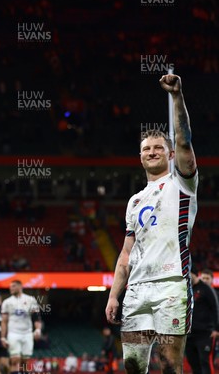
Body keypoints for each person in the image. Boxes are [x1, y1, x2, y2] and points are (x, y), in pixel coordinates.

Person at [105, 74, 198, 374]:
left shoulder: (182, 184)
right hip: (136, 290)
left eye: (158, 148)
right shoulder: (134, 201)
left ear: (171, 154)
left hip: (171, 285)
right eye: (146, 149)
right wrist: (113, 295)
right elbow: (125, 254)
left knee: (170, 365)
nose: (152, 152)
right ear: (140, 157)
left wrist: (176, 97)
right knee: (132, 366)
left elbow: (184, 139)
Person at [0, 280, 43, 374]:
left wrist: (38, 329)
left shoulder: (30, 300)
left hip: (27, 333)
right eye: (10, 286)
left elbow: (36, 317)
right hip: (13, 333)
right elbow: (4, 321)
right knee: (15, 360)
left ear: (20, 286)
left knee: (25, 362)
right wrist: (3, 337)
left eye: (14, 286)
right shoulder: (7, 302)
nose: (11, 288)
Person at [185, 268, 219, 374]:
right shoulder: (187, 289)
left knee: (205, 363)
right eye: (203, 277)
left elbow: (216, 309)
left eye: (207, 278)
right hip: (190, 334)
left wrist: (216, 329)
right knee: (193, 363)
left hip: (205, 334)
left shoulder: (208, 290)